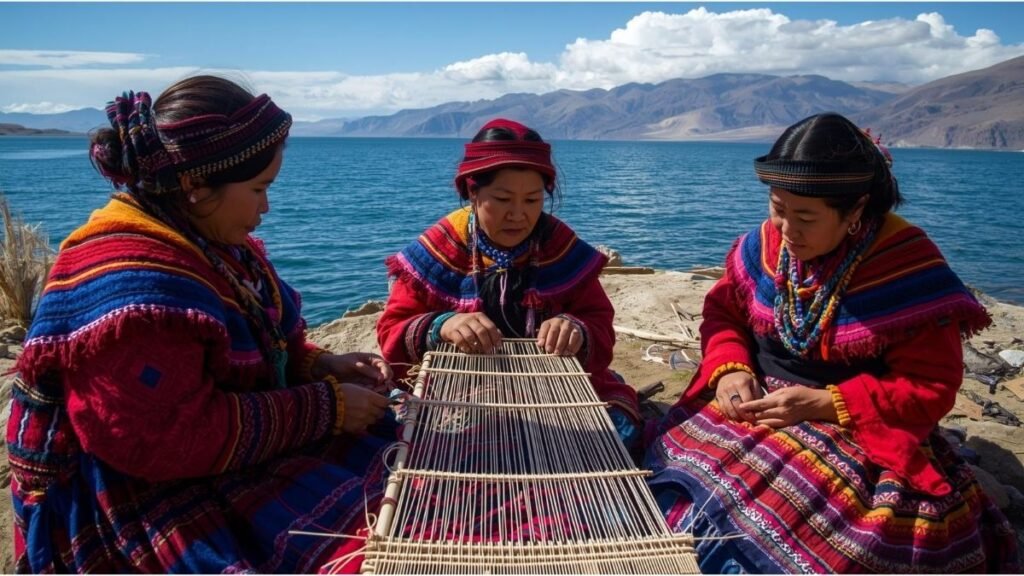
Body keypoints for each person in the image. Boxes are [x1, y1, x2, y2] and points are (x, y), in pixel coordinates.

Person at [6, 75, 392, 573]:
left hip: (227, 445)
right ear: (194, 185)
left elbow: (266, 343)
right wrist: (326, 408)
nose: (266, 206)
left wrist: (318, 365)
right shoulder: (134, 291)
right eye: (259, 189)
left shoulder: (209, 242)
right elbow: (161, 437)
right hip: (146, 485)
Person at [644, 112, 1018, 573]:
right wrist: (730, 367)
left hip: (855, 422)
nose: (787, 230)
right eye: (777, 208)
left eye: (805, 217)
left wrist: (826, 404)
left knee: (838, 537)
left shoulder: (907, 268)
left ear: (855, 211)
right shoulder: (764, 245)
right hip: (759, 397)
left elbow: (931, 386)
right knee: (676, 481)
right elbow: (724, 313)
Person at [376, 118, 642, 452]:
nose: (518, 214)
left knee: (616, 432)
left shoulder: (561, 247)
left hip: (551, 389)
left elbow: (599, 323)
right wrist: (443, 325)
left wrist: (574, 328)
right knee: (446, 441)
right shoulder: (438, 250)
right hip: (459, 393)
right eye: (503, 199)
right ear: (472, 191)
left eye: (532, 200)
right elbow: (391, 333)